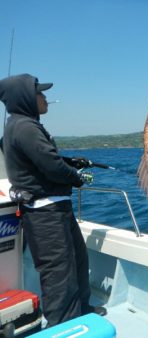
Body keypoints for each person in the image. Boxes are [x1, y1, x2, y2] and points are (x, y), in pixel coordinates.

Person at [0, 74, 106, 327]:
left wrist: (70, 162)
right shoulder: (25, 127)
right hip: (45, 214)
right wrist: (77, 177)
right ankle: (65, 327)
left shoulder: (21, 126)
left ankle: (82, 314)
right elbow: (51, 167)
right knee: (60, 276)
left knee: (78, 263)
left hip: (57, 208)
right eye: (40, 93)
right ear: (26, 98)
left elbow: (38, 161)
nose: (45, 97)